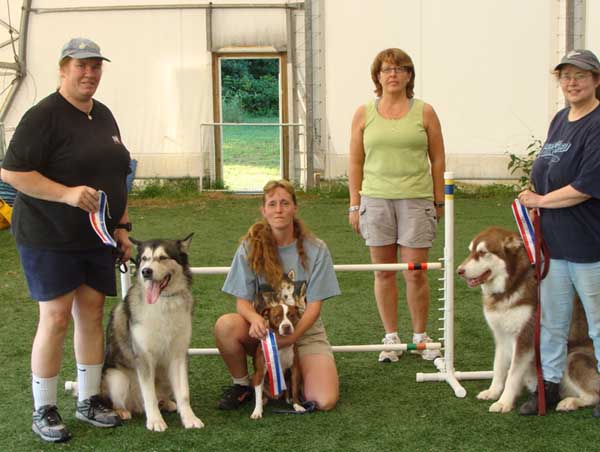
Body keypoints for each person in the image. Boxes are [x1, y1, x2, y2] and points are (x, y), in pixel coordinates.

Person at [0, 38, 132, 442]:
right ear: (63, 69)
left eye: (96, 66)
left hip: (96, 235)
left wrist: (122, 227)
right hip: (48, 235)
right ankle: (45, 409)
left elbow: (119, 175)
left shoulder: (104, 115)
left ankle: (88, 400)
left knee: (91, 313)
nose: (89, 73)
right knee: (56, 316)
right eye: (81, 66)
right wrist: (67, 194)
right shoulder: (42, 116)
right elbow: (12, 173)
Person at [347, 48, 446, 363]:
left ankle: (420, 337)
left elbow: (438, 158)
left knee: (415, 273)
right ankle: (391, 338)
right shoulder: (364, 113)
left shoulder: (425, 112)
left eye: (400, 69)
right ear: (377, 76)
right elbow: (355, 160)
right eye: (387, 69)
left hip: (416, 200)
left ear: (409, 76)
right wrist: (354, 204)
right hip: (375, 200)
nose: (393, 74)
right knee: (384, 272)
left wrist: (439, 198)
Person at [517, 49, 600, 416]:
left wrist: (541, 199)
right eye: (565, 76)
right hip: (553, 245)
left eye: (581, 75)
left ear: (596, 80)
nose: (572, 82)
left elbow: (585, 186)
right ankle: (547, 386)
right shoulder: (559, 120)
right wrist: (534, 199)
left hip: (588, 244)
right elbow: (546, 172)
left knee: (597, 323)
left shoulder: (598, 122)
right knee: (552, 321)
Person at [214, 179, 340, 411]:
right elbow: (242, 303)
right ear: (264, 210)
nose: (279, 210)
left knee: (324, 400)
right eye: (272, 204)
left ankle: (293, 379)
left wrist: (292, 338)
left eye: (285, 203)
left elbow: (313, 308)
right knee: (226, 326)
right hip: (266, 334)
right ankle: (243, 386)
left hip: (305, 333)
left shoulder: (317, 249)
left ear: (295, 208)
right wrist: (255, 319)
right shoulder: (250, 248)